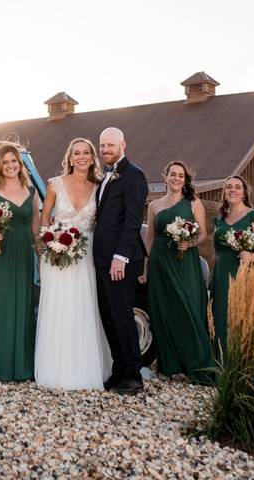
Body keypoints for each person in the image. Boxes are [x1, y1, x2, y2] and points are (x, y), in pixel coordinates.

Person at [34, 138, 112, 390]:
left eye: (86, 153)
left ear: (92, 157)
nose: (81, 157)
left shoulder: (100, 186)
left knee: (86, 307)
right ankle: (57, 369)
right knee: (60, 307)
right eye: (76, 153)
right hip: (58, 253)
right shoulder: (54, 185)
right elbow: (45, 217)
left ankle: (86, 368)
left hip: (88, 254)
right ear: (69, 157)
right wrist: (48, 242)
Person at [145, 160, 214, 384]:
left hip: (185, 261)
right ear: (165, 177)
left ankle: (196, 363)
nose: (176, 178)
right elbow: (151, 238)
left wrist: (190, 243)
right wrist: (147, 267)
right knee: (164, 311)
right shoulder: (154, 205)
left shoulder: (193, 202)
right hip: (160, 263)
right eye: (172, 174)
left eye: (180, 176)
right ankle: (171, 366)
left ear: (185, 180)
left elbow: (203, 234)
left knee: (189, 308)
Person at [0, 144, 40, 382]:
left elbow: (35, 228)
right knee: (0, 307)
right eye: (6, 162)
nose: (11, 165)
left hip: (23, 254)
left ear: (19, 164)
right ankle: (2, 367)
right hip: (1, 254)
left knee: (23, 307)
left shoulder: (30, 191)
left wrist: (43, 254)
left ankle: (24, 367)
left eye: (14, 161)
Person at [92, 128, 148, 394]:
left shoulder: (134, 176)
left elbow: (132, 221)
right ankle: (118, 370)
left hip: (120, 261)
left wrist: (120, 257)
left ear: (123, 145)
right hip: (102, 260)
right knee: (109, 317)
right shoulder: (105, 176)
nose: (105, 150)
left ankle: (133, 375)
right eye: (102, 146)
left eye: (110, 145)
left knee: (123, 318)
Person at [211, 175, 254, 361]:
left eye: (237, 187)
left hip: (247, 274)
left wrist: (251, 256)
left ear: (244, 192)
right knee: (221, 317)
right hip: (222, 274)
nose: (232, 190)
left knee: (246, 318)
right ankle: (222, 363)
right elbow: (216, 251)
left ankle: (247, 364)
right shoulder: (219, 220)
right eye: (228, 186)